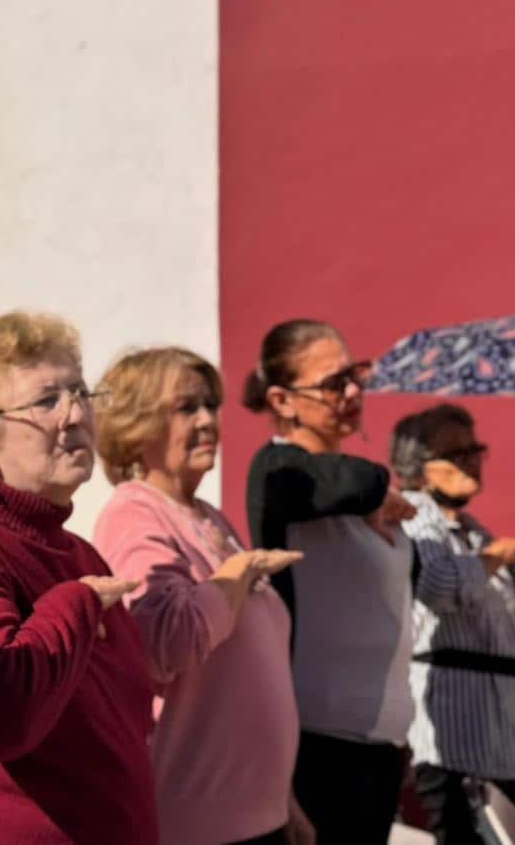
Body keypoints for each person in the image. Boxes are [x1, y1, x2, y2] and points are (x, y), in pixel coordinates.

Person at [0, 312, 160, 845]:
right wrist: (72, 607)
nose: (75, 414)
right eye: (46, 401)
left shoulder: (79, 552)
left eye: (79, 392)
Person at [93, 347, 312, 845]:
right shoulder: (135, 513)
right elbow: (165, 642)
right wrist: (236, 573)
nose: (209, 420)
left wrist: (284, 800)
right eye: (187, 408)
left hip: (260, 816)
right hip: (199, 825)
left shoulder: (207, 515)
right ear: (137, 425)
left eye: (211, 405)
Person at [242, 319, 417, 845]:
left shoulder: (357, 488)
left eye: (355, 376)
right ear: (283, 399)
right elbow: (331, 481)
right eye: (333, 383)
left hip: (380, 747)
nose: (351, 392)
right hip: (319, 746)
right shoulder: (283, 473)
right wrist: (379, 488)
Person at [390, 404, 515, 843]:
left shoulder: (473, 530)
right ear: (420, 467)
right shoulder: (416, 515)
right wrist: (497, 557)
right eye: (457, 453)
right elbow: (437, 587)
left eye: (476, 448)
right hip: (457, 735)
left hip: (505, 733)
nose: (472, 459)